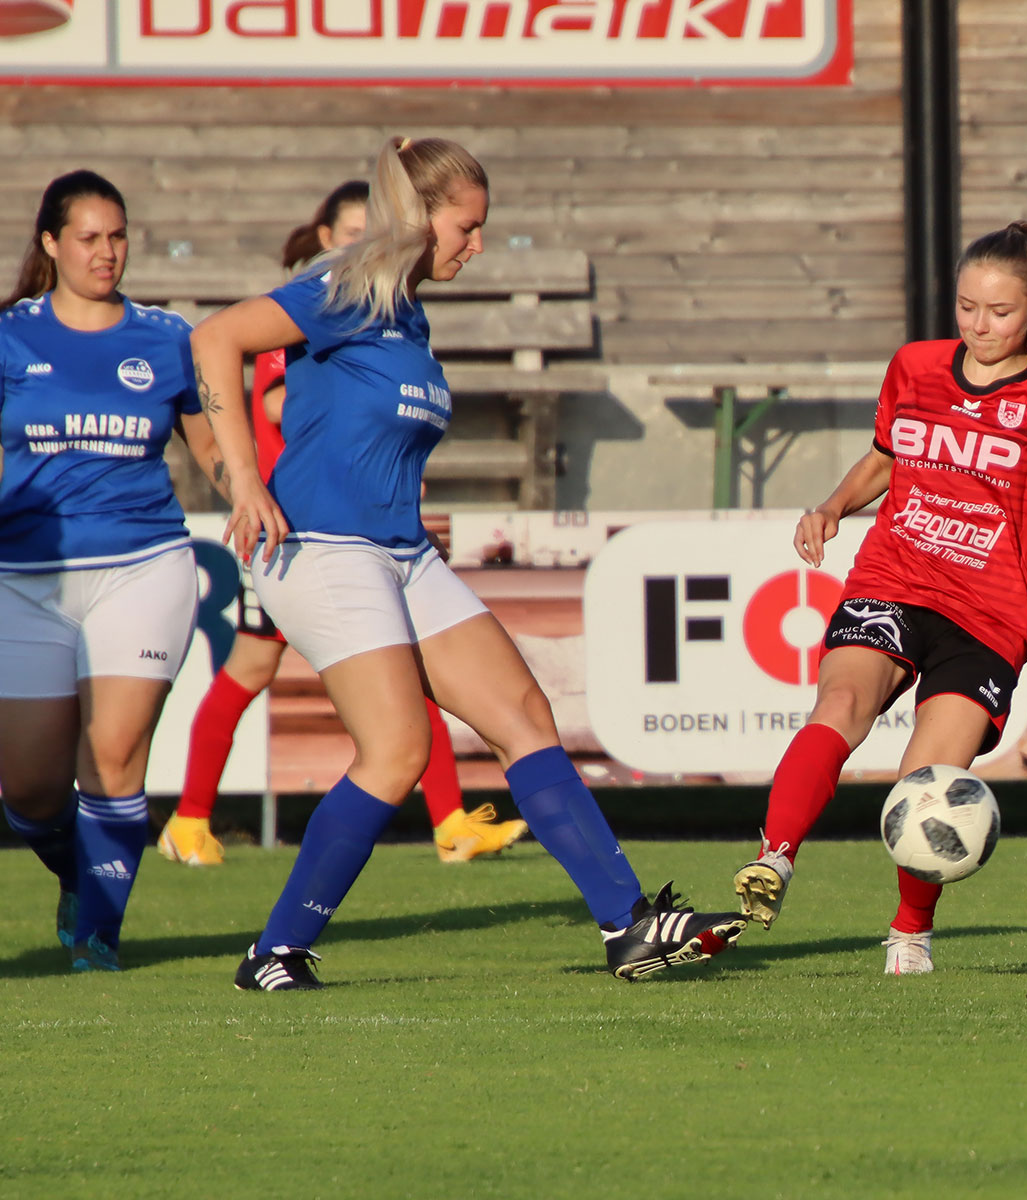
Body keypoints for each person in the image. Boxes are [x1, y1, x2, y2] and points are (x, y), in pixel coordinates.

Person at [191, 136, 746, 990]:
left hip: (401, 554)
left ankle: (629, 927)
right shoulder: (345, 288)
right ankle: (276, 952)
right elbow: (217, 338)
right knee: (396, 750)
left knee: (525, 712)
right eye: (468, 226)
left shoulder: (409, 314)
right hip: (321, 549)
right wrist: (243, 481)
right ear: (421, 217)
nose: (476, 245)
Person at [732, 221, 1027, 975]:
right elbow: (885, 454)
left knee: (925, 785)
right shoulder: (914, 366)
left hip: (987, 614)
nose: (979, 324)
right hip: (895, 576)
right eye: (967, 307)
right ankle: (775, 858)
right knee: (839, 707)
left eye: (998, 312)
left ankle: (910, 928)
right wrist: (834, 507)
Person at [158, 180, 526, 868]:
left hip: (343, 532)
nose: (370, 244)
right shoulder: (318, 303)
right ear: (327, 239)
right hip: (289, 531)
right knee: (250, 672)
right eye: (355, 232)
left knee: (405, 686)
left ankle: (448, 820)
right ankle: (190, 818)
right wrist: (245, 479)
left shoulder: (384, 307)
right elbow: (266, 398)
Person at [0, 170, 225, 973]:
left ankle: (98, 935)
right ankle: (83, 870)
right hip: (26, 573)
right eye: (90, 238)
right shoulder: (2, 336)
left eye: (119, 235)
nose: (108, 253)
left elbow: (208, 446)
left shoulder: (168, 336)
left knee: (112, 757)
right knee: (31, 792)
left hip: (145, 563)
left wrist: (248, 494)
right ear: (51, 244)